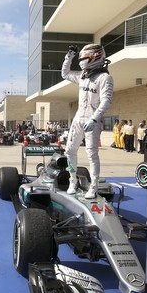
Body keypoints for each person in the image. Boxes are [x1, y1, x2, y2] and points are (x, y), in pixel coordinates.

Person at [62, 43, 114, 199]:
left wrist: (94, 118)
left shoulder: (105, 78)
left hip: (93, 119)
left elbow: (106, 101)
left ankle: (93, 186)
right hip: (78, 117)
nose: (81, 61)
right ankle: (72, 181)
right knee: (69, 150)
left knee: (92, 154)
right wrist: (69, 56)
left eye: (84, 58)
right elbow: (65, 74)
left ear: (95, 57)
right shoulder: (83, 76)